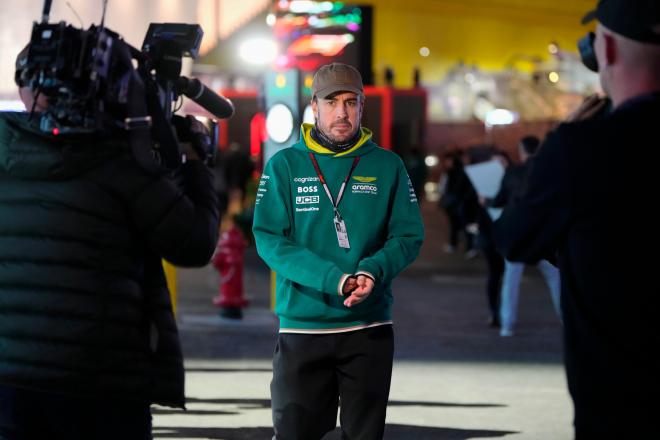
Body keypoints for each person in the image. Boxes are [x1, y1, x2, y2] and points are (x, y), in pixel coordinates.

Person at [0, 44, 220, 439]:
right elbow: (194, 243)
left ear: (26, 90)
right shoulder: (122, 162)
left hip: (8, 378)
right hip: (100, 379)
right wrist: (196, 166)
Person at [493, 0, 660, 437]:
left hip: (620, 410)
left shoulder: (580, 150)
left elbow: (513, 238)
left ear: (605, 49)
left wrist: (553, 150)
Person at [252, 62, 424, 440]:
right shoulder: (285, 166)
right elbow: (269, 239)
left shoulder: (387, 165)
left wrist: (372, 271)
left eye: (351, 102)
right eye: (332, 102)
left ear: (363, 106)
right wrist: (335, 279)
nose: (342, 112)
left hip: (369, 328)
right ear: (315, 106)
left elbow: (408, 236)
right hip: (302, 328)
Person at [485, 136, 561, 337]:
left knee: (511, 279)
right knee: (554, 277)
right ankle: (566, 320)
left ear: (521, 150)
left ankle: (507, 325)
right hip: (543, 234)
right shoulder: (549, 172)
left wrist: (487, 201)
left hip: (517, 234)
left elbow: (499, 200)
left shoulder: (513, 173)